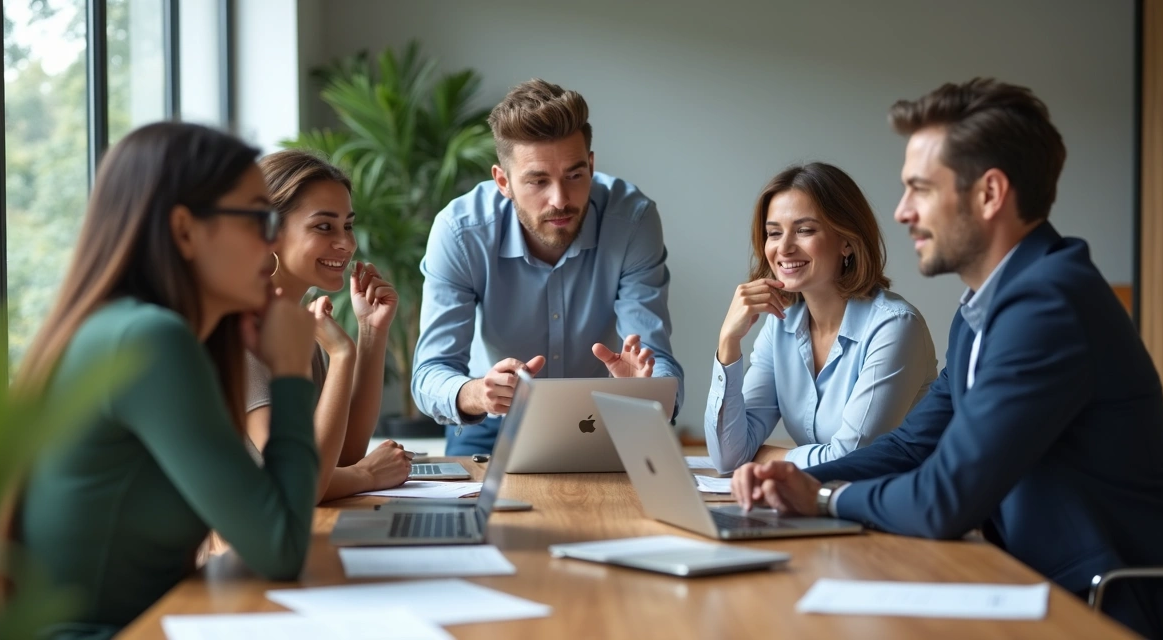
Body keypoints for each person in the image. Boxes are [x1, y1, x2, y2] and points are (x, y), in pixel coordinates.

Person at [732, 79, 1163, 639]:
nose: (901, 212)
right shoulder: (987, 306)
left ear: (990, 194)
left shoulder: (1049, 304)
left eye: (919, 189)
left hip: (1113, 607)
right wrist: (790, 482)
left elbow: (945, 496)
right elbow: (912, 445)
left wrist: (824, 497)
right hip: (1030, 582)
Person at [11, 122, 321, 638]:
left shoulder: (144, 332)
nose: (271, 244)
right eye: (258, 219)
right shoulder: (148, 340)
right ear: (183, 230)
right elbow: (280, 547)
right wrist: (289, 371)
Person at [411, 78, 684, 455]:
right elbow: (430, 373)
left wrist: (649, 388)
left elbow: (655, 356)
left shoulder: (632, 220)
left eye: (574, 175)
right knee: (475, 514)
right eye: (538, 181)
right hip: (492, 422)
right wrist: (477, 393)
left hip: (599, 417)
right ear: (503, 181)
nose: (560, 200)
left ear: (590, 164)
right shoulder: (460, 232)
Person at [706, 162, 936, 474]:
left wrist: (762, 457)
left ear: (847, 241)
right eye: (774, 233)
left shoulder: (895, 327)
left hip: (898, 513)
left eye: (804, 230)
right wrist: (728, 343)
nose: (784, 248)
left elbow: (849, 461)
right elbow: (727, 457)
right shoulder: (780, 323)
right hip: (821, 509)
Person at [248, 150, 411, 503]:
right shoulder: (242, 331)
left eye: (348, 225)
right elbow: (296, 485)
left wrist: (371, 331)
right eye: (324, 226)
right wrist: (366, 474)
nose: (347, 243)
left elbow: (341, 454)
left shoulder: (296, 326)